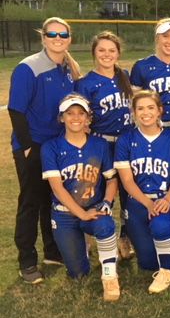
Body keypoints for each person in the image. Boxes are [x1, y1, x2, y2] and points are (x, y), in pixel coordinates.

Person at [8, 16, 81, 283]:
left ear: (69, 38)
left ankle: (52, 251)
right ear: (43, 37)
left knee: (51, 200)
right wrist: (27, 146)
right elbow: (16, 110)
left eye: (63, 35)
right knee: (30, 202)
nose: (58, 39)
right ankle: (27, 260)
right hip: (34, 145)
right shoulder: (29, 67)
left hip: (58, 145)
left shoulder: (68, 69)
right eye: (52, 34)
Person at [41, 94, 119, 301]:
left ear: (88, 119)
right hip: (65, 214)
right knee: (78, 273)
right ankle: (80, 246)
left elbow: (111, 180)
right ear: (62, 117)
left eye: (80, 113)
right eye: (70, 113)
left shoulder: (100, 145)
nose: (75, 118)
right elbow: (57, 188)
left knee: (105, 225)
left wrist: (107, 203)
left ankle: (110, 275)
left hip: (93, 208)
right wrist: (81, 214)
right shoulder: (51, 147)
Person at [114, 90, 170, 293]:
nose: (145, 113)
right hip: (138, 202)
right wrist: (148, 204)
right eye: (140, 108)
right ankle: (166, 244)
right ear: (134, 112)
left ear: (159, 111)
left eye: (150, 107)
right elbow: (127, 181)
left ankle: (166, 272)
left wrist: (167, 199)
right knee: (147, 261)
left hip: (167, 199)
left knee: (161, 224)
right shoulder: (125, 140)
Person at [75, 31, 135, 260]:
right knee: (93, 190)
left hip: (127, 143)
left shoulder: (125, 76)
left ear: (118, 53)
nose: (107, 54)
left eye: (111, 50)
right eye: (101, 50)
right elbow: (81, 119)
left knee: (128, 192)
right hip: (100, 143)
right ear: (94, 53)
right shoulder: (85, 83)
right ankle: (88, 237)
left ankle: (125, 237)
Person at [130, 18, 170, 131]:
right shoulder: (142, 66)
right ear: (157, 38)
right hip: (155, 128)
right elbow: (136, 103)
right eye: (165, 36)